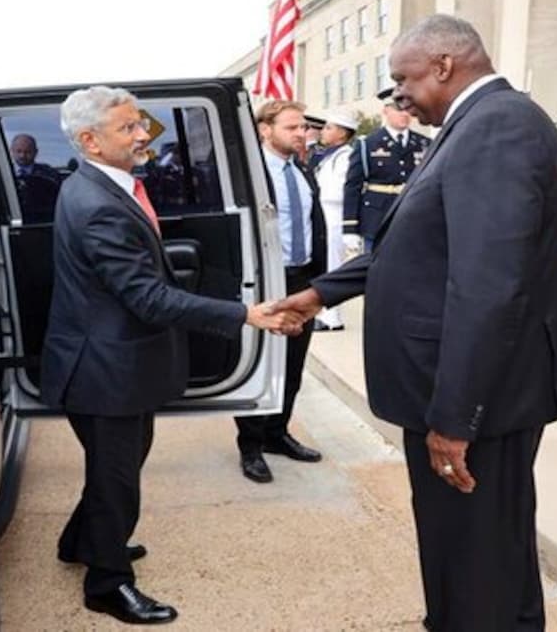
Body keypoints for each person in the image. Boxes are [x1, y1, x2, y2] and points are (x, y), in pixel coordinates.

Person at [273, 14, 557, 631]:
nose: (398, 96)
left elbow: (488, 284)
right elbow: (418, 246)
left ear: (444, 64)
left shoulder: (497, 128)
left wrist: (454, 416)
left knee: (471, 557)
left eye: (403, 79)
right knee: (487, 547)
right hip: (469, 388)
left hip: (477, 397)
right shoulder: (476, 123)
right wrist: (320, 295)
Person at [41, 86, 299, 624]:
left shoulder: (95, 183)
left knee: (117, 467)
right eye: (128, 128)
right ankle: (107, 583)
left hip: (106, 365)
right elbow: (147, 297)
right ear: (90, 141)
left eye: (141, 125)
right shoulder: (98, 206)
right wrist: (244, 314)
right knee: (118, 481)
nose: (142, 136)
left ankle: (81, 543)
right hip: (103, 372)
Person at [233, 100, 329, 484]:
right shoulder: (250, 175)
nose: (301, 134)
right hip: (266, 281)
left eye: (303, 127)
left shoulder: (302, 170)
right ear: (264, 130)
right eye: (292, 127)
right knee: (264, 365)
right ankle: (251, 446)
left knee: (292, 365)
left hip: (302, 280)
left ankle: (277, 434)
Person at [343, 86, 431, 253]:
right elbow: (352, 186)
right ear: (386, 111)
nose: (404, 114)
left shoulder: (424, 143)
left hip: (414, 217)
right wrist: (350, 228)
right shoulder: (367, 144)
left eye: (408, 109)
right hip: (377, 218)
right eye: (399, 109)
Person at [313, 108, 358, 332]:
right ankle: (327, 313)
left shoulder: (346, 155)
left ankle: (333, 317)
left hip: (336, 213)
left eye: (329, 128)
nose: (323, 131)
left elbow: (342, 190)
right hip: (325, 212)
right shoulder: (331, 154)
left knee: (333, 265)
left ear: (342, 133)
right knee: (326, 263)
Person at [9, 133, 64, 222]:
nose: (22, 156)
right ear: (11, 151)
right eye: (19, 151)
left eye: (27, 152)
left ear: (36, 152)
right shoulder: (3, 173)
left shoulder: (49, 174)